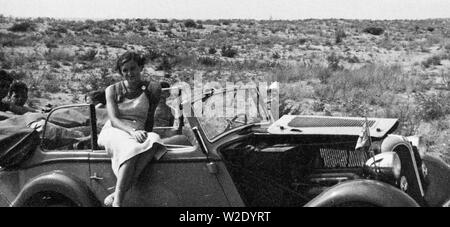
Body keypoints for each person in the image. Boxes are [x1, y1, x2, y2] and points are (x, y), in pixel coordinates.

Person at [97, 51, 165, 207]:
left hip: (138, 130)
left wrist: (145, 133)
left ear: (141, 67)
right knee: (131, 147)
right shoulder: (112, 90)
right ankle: (118, 203)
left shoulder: (152, 88)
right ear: (121, 72)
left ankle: (116, 193)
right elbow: (114, 119)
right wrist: (132, 132)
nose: (129, 73)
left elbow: (150, 117)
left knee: (154, 140)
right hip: (116, 130)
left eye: (133, 68)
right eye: (125, 70)